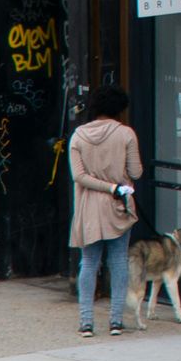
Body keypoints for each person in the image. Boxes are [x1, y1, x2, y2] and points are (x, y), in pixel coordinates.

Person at [67, 84, 145, 336]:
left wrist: (103, 185)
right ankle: (115, 321)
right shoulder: (126, 134)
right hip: (118, 207)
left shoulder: (78, 136)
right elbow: (136, 172)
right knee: (119, 262)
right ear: (119, 110)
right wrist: (114, 186)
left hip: (88, 207)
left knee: (88, 262)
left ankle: (86, 321)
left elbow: (78, 176)